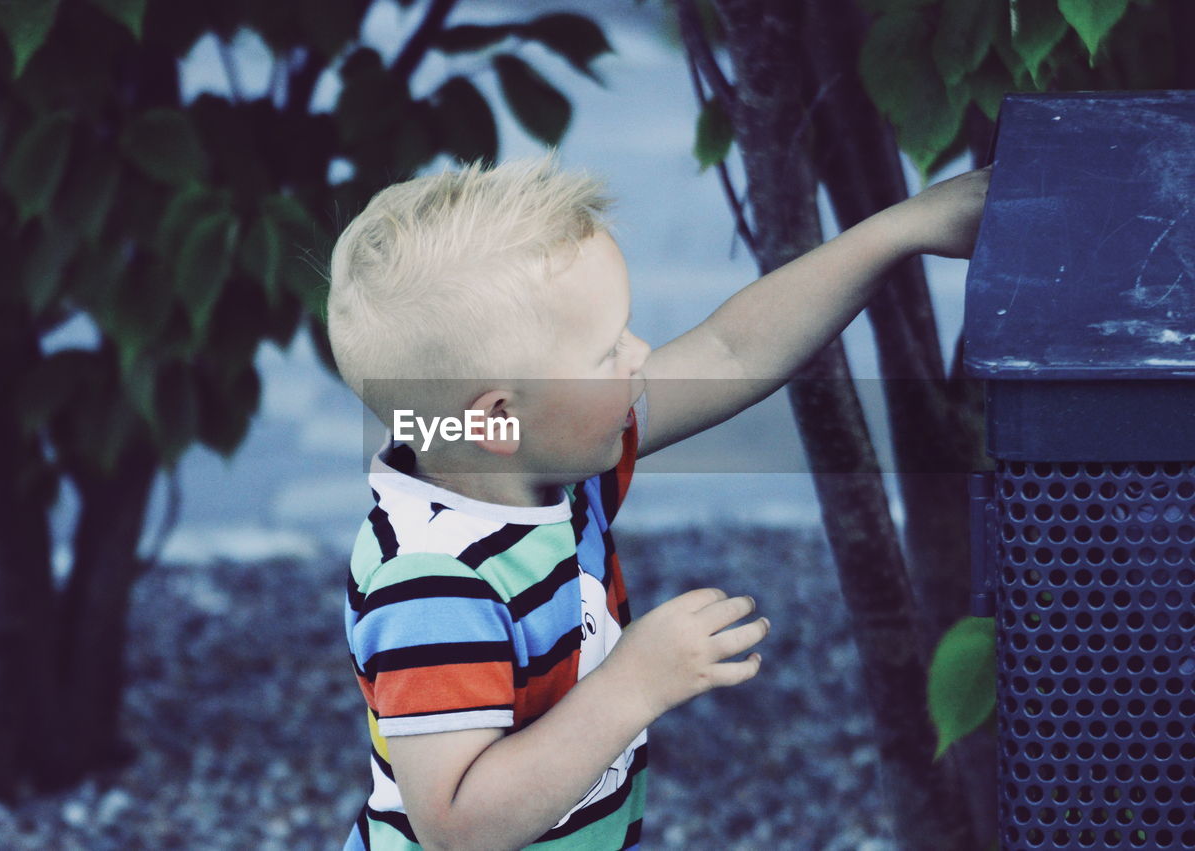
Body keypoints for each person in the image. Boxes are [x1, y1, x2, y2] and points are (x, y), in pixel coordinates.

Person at [327, 152, 991, 850]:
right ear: (495, 417)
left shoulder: (540, 459)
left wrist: (897, 231)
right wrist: (632, 683)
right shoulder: (433, 583)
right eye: (606, 350)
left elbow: (732, 350)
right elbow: (457, 824)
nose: (640, 354)